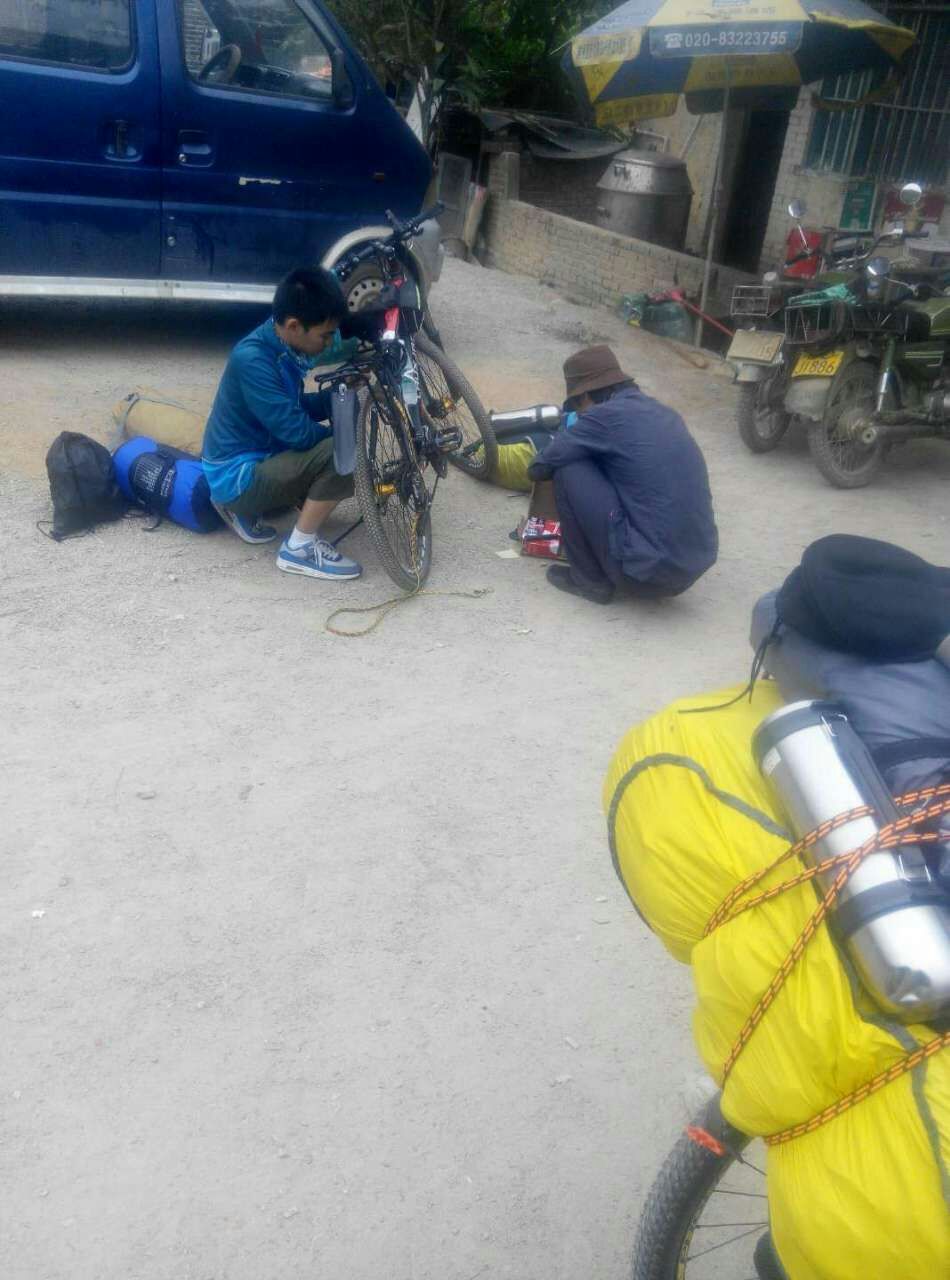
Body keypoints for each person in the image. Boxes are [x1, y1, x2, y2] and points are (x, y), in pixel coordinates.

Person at [202, 267, 361, 581]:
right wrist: (345, 445)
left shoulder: (279, 342)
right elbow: (297, 432)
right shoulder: (254, 360)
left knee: (339, 439)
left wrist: (339, 395)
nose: (330, 343)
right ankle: (298, 549)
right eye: (325, 335)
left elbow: (292, 408)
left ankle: (252, 509)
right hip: (236, 478)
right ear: (294, 326)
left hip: (256, 455)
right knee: (342, 450)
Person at [528, 345, 718, 604]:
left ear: (586, 395)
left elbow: (538, 468)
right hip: (689, 571)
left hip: (644, 577)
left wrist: (575, 445)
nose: (578, 414)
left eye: (576, 406)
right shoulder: (664, 413)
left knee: (568, 468)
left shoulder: (602, 417)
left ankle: (589, 582)